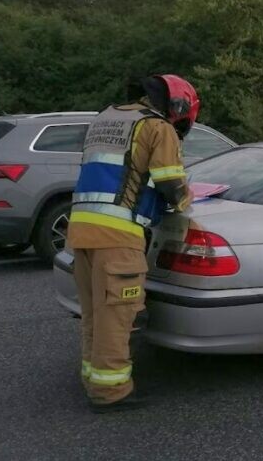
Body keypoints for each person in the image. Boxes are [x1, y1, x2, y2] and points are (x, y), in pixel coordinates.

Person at [68, 74, 198, 413]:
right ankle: (112, 393)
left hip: (81, 229)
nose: (179, 123)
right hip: (118, 235)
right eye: (182, 117)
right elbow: (170, 184)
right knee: (117, 317)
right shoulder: (157, 128)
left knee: (95, 315)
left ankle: (93, 380)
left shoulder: (106, 119)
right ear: (178, 105)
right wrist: (187, 201)